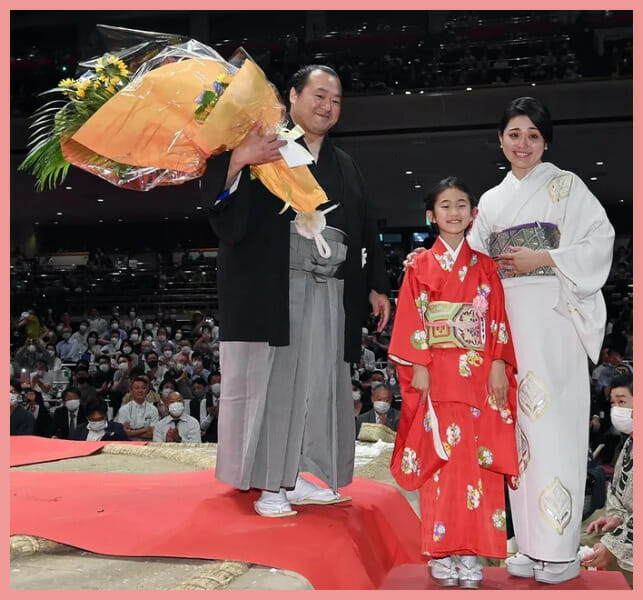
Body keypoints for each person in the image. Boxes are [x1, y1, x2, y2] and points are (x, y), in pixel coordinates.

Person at [201, 64, 390, 517]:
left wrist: (377, 286)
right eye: (319, 95)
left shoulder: (345, 164)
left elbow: (365, 227)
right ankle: (271, 484)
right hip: (277, 289)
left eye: (336, 100)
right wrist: (240, 158)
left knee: (321, 382)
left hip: (330, 290)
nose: (327, 106)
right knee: (277, 384)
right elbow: (222, 206)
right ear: (292, 96)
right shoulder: (267, 144)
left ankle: (306, 473)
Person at [467, 96, 615, 584]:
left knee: (554, 432)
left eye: (532, 134)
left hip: (553, 318)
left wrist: (544, 259)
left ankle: (561, 549)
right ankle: (530, 545)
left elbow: (599, 241)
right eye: (514, 134)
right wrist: (427, 267)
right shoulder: (490, 201)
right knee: (519, 438)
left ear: (545, 140)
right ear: (501, 140)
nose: (523, 143)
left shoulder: (566, 187)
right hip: (509, 324)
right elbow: (469, 260)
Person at [389, 176, 519, 588]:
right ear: (431, 216)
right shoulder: (420, 266)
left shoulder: (486, 267)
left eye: (461, 205)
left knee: (478, 463)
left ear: (473, 213)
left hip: (479, 372)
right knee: (443, 460)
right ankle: (443, 551)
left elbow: (496, 318)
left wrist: (499, 362)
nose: (454, 212)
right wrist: (420, 364)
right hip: (439, 372)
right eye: (445, 206)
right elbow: (412, 318)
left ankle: (472, 555)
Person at [581, 374, 633, 588]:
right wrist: (617, 518)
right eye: (613, 403)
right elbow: (619, 492)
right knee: (584, 540)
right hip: (629, 527)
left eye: (622, 402)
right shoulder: (631, 440)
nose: (616, 409)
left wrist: (614, 544)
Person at [115, 376, 159, 441]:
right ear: (131, 390)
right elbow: (124, 433)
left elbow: (153, 434)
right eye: (136, 388)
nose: (140, 391)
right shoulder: (124, 409)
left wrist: (132, 431)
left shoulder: (153, 409)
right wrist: (145, 429)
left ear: (147, 390)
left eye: (143, 388)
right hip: (129, 444)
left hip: (148, 445)